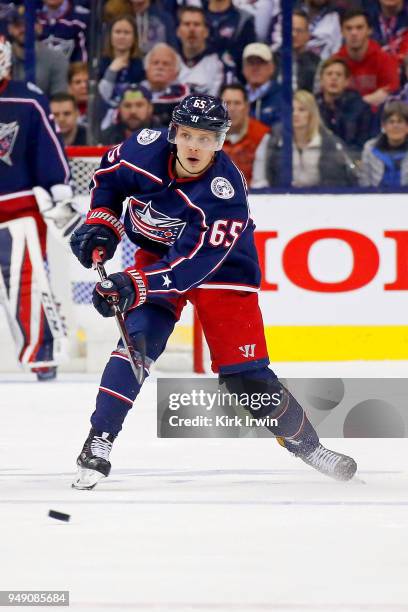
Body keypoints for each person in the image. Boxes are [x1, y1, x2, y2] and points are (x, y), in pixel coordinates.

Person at [69, 92, 357, 490]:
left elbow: (191, 268)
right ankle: (98, 440)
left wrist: (134, 284)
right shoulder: (142, 149)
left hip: (224, 268)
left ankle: (307, 446)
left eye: (206, 139)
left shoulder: (226, 193)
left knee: (247, 379)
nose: (194, 146)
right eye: (187, 135)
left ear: (220, 142)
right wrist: (102, 223)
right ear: (173, 133)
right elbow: (107, 178)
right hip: (158, 253)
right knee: (135, 343)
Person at [0, 36, 82, 380]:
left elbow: (49, 151)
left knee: (29, 287)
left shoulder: (28, 99)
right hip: (19, 210)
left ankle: (42, 354)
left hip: (19, 211)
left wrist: (59, 192)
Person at [266, 89, 357, 187]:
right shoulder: (275, 142)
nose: (295, 114)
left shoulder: (331, 144)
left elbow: (341, 180)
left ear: (311, 113)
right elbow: (268, 177)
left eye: (301, 110)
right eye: (292, 110)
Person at [334, 9, 400, 109]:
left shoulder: (385, 59)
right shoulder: (335, 61)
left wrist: (358, 104)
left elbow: (390, 93)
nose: (354, 33)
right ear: (342, 32)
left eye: (359, 28)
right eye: (348, 28)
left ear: (369, 30)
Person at [317, 57, 374, 159]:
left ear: (346, 81)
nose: (334, 78)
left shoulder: (361, 108)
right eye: (329, 74)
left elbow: (364, 144)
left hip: (351, 160)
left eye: (339, 75)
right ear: (321, 80)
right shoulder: (313, 107)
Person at [7, 5, 68, 98]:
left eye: (28, 24)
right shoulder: (3, 58)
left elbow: (59, 99)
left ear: (39, 27)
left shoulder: (56, 58)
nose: (23, 29)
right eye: (18, 25)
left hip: (44, 110)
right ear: (10, 29)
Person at [221, 83, 270, 188]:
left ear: (247, 107)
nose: (232, 109)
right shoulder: (208, 134)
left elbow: (259, 181)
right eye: (227, 103)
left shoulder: (260, 134)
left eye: (237, 103)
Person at [97, 15, 144, 119]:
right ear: (110, 36)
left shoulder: (141, 65)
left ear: (134, 37)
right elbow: (101, 97)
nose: (122, 36)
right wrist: (111, 72)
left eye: (126, 33)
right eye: (117, 32)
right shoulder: (100, 64)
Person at [177, 7, 224, 97]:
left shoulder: (218, 64)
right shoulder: (168, 61)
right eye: (187, 24)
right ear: (178, 31)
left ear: (206, 31)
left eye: (197, 24)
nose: (191, 29)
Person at [359, 100, 408, 186]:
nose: (395, 126)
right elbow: (364, 181)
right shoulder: (370, 148)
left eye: (400, 122)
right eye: (391, 122)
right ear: (383, 126)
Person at [140, 43, 190, 126]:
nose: (160, 67)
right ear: (146, 69)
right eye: (155, 63)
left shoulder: (184, 96)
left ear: (176, 72)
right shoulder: (136, 91)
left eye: (166, 64)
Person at [205, 0, 256, 80]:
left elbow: (250, 61)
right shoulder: (193, 19)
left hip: (233, 83)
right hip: (199, 82)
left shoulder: (244, 19)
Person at [242, 42, 282, 127]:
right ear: (243, 68)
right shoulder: (236, 96)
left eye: (261, 63)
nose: (255, 68)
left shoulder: (283, 96)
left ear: (272, 68)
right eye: (251, 63)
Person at [292, 9, 321, 92]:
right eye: (291, 29)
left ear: (308, 35)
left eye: (299, 31)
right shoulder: (275, 58)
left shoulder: (316, 62)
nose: (293, 34)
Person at [68, 61, 88, 125]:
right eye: (78, 82)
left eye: (87, 81)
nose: (84, 86)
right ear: (69, 86)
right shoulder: (63, 111)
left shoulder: (101, 109)